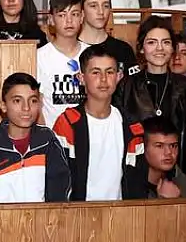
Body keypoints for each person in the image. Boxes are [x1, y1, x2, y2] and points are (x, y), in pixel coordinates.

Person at [52, 46, 146, 201]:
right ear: (81, 78)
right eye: (95, 72)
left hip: (120, 212)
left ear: (119, 76)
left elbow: (137, 180)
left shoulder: (132, 126)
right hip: (78, 212)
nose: (103, 79)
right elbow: (57, 179)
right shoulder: (68, 123)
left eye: (110, 72)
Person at [114, 16, 186, 173]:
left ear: (172, 48)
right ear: (141, 48)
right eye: (152, 42)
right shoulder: (126, 86)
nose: (159, 48)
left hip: (177, 173)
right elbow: (117, 135)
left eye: (166, 42)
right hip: (135, 172)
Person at [0, 73, 72, 203]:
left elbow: (59, 191)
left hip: (44, 216)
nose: (26, 108)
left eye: (33, 101)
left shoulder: (47, 140)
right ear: (4, 106)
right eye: (17, 101)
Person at [36, 0, 88, 130]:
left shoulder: (92, 55)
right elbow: (36, 104)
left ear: (82, 17)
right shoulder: (39, 57)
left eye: (75, 14)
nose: (69, 21)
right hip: (53, 135)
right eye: (62, 15)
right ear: (51, 19)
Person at [121, 115, 186, 199]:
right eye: (159, 146)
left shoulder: (179, 178)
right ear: (143, 148)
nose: (168, 152)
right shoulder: (129, 186)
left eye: (173, 145)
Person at [77, 0, 138, 74]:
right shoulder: (71, 49)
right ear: (81, 10)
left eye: (105, 6)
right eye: (93, 6)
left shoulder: (123, 50)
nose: (101, 12)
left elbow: (134, 82)